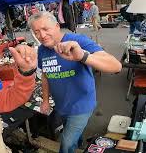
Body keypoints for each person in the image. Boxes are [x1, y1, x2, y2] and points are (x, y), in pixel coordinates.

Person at [28, 11, 122, 153]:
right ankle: (79, 144)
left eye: (45, 29)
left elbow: (116, 66)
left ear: (57, 26)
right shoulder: (42, 50)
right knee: (71, 136)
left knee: (65, 144)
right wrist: (45, 100)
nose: (41, 35)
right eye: (37, 32)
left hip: (81, 106)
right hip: (61, 105)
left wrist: (82, 56)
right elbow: (46, 76)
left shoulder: (77, 41)